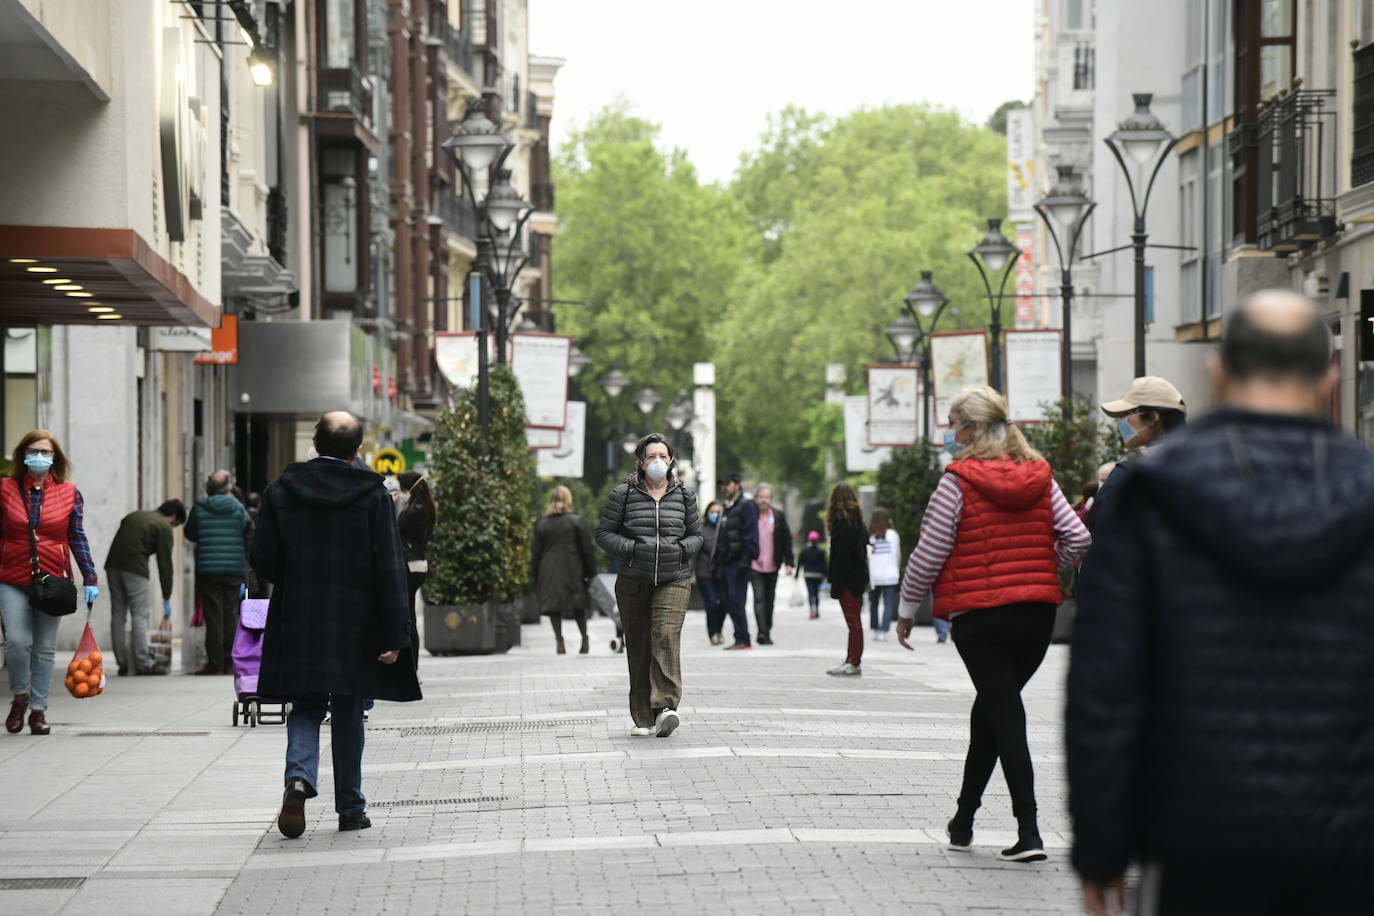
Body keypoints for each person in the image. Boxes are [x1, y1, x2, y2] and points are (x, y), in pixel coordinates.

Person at [1069, 291, 1374, 915]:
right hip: (1350, 833)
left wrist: (1101, 847)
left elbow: (1106, 687)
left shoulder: (1149, 494)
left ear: (1219, 374)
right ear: (1330, 377)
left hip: (1197, 836)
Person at [894, 386, 1090, 863]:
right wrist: (1047, 563)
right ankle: (964, 820)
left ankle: (1030, 831)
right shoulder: (1041, 476)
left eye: (955, 425)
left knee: (1004, 715)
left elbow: (930, 551)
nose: (951, 434)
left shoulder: (957, 481)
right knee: (993, 711)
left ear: (975, 428)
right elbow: (1079, 538)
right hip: (1037, 616)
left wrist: (905, 610)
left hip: (980, 619)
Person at [251, 411, 419, 838]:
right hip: (356, 621)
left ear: (315, 442)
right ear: (358, 449)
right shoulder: (373, 496)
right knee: (348, 710)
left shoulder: (281, 490)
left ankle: (299, 778)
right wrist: (396, 631)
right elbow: (389, 567)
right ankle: (351, 809)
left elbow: (263, 560)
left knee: (306, 705)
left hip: (299, 617)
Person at [596, 434, 702, 737]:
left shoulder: (684, 496)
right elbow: (603, 533)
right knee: (640, 644)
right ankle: (643, 716)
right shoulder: (624, 495)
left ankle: (666, 706)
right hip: (634, 579)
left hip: (675, 576)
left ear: (671, 462)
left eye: (663, 456)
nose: (658, 461)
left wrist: (682, 550)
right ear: (641, 462)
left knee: (665, 634)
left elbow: (697, 534)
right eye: (651, 456)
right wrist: (629, 548)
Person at [1, 430, 99, 737]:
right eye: (33, 450)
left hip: (53, 579)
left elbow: (76, 536)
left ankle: (39, 711)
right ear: (22, 456)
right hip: (11, 576)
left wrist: (90, 577)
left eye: (45, 451)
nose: (39, 456)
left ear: (55, 457)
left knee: (44, 648)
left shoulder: (70, 492)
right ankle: (20, 697)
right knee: (17, 642)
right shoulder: (5, 489)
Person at [1089, 376, 1187, 529]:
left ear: (1153, 418)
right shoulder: (1207, 466)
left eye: (1127, 415)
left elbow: (1098, 524)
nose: (1121, 423)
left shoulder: (1128, 475)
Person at [104, 499, 186, 676]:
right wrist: (166, 596)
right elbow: (165, 564)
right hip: (135, 569)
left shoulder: (136, 515)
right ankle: (143, 663)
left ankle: (123, 663)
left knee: (118, 614)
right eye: (176, 524)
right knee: (139, 614)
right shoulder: (163, 526)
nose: (173, 527)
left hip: (112, 565)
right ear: (173, 516)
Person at [184, 470, 250, 675]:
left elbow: (190, 533)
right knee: (231, 614)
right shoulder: (238, 508)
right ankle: (230, 663)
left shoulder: (200, 507)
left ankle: (215, 664)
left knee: (213, 616)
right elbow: (247, 530)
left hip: (208, 569)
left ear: (208, 488)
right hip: (233, 568)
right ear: (228, 487)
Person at [533, 485, 596, 655]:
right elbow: (586, 550)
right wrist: (591, 573)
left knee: (554, 607)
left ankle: (559, 641)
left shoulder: (543, 525)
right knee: (578, 605)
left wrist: (535, 576)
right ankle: (584, 638)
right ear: (568, 500)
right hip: (573, 568)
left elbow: (536, 553)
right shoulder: (576, 522)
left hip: (549, 569)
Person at [824, 483, 868, 676]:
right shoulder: (858, 521)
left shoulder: (842, 523)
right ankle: (851, 659)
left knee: (853, 622)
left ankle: (854, 661)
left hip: (848, 580)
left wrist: (835, 583)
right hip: (858, 578)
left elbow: (840, 557)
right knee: (854, 621)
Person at [713, 472, 758, 650]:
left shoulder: (746, 505)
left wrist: (747, 558)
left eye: (728, 483)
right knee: (728, 600)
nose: (724, 487)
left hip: (739, 561)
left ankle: (744, 639)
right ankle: (739, 636)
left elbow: (751, 533)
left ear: (737, 484)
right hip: (726, 561)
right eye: (722, 484)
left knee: (736, 600)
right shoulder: (728, 507)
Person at [395, 471, 434, 668]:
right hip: (420, 564)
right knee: (409, 614)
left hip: (409, 565)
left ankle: (411, 666)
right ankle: (413, 666)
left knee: (407, 616)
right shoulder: (427, 508)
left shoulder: (413, 511)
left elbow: (396, 529)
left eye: (402, 489)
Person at [748, 483, 794, 645]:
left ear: (771, 499)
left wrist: (789, 561)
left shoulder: (778, 516)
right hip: (754, 564)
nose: (764, 500)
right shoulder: (750, 516)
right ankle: (762, 632)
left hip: (773, 564)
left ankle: (767, 628)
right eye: (761, 497)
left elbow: (787, 539)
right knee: (759, 598)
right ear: (756, 498)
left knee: (769, 600)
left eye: (767, 497)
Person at [866, 507, 900, 642]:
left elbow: (867, 557)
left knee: (873, 604)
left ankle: (875, 630)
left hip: (874, 575)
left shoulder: (870, 536)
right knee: (888, 604)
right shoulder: (893, 535)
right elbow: (897, 555)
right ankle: (884, 631)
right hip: (890, 574)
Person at [697, 500, 725, 644]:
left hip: (722, 573)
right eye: (712, 512)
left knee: (724, 603)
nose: (715, 515)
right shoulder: (701, 529)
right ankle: (713, 633)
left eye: (718, 512)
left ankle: (719, 630)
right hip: (705, 573)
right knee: (712, 603)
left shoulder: (726, 529)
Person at [796, 531, 827, 619]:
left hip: (808, 575)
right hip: (818, 575)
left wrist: (797, 574)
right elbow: (824, 564)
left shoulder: (805, 551)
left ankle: (811, 610)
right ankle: (816, 610)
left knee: (810, 593)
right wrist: (826, 575)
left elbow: (800, 563)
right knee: (816, 593)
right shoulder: (821, 551)